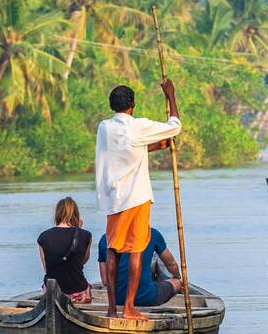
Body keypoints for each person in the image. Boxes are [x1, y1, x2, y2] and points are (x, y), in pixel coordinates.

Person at [95, 79, 182, 318]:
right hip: (136, 198)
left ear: (112, 105)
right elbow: (175, 126)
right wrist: (171, 96)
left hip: (113, 200)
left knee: (113, 249)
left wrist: (155, 147)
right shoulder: (138, 126)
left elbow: (127, 149)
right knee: (134, 250)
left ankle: (113, 309)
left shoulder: (104, 128)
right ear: (132, 105)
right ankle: (130, 308)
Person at [98, 226, 183, 308]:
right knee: (177, 282)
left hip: (117, 300)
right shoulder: (152, 233)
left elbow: (105, 281)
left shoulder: (105, 238)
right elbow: (171, 264)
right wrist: (177, 277)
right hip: (148, 297)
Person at [37, 197, 93, 304]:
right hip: (78, 292)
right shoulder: (86, 235)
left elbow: (47, 268)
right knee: (86, 288)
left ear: (57, 214)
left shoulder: (43, 237)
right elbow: (82, 261)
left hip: (51, 291)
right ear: (76, 214)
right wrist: (79, 230)